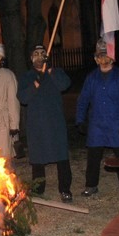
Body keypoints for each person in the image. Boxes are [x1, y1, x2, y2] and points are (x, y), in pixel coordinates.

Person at [76, 38, 119, 199]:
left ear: (112, 57)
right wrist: (80, 120)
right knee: (93, 157)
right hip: (97, 124)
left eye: (106, 55)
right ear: (96, 59)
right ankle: (91, 185)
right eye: (100, 55)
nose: (104, 59)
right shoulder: (91, 78)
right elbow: (83, 100)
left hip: (117, 123)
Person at [17, 44, 73, 203]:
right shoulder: (26, 77)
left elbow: (65, 85)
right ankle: (38, 189)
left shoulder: (55, 72)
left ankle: (65, 189)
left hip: (55, 122)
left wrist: (50, 72)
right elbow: (23, 98)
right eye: (36, 53)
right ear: (31, 58)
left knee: (62, 157)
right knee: (38, 159)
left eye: (43, 53)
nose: (39, 56)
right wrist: (36, 83)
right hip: (37, 125)